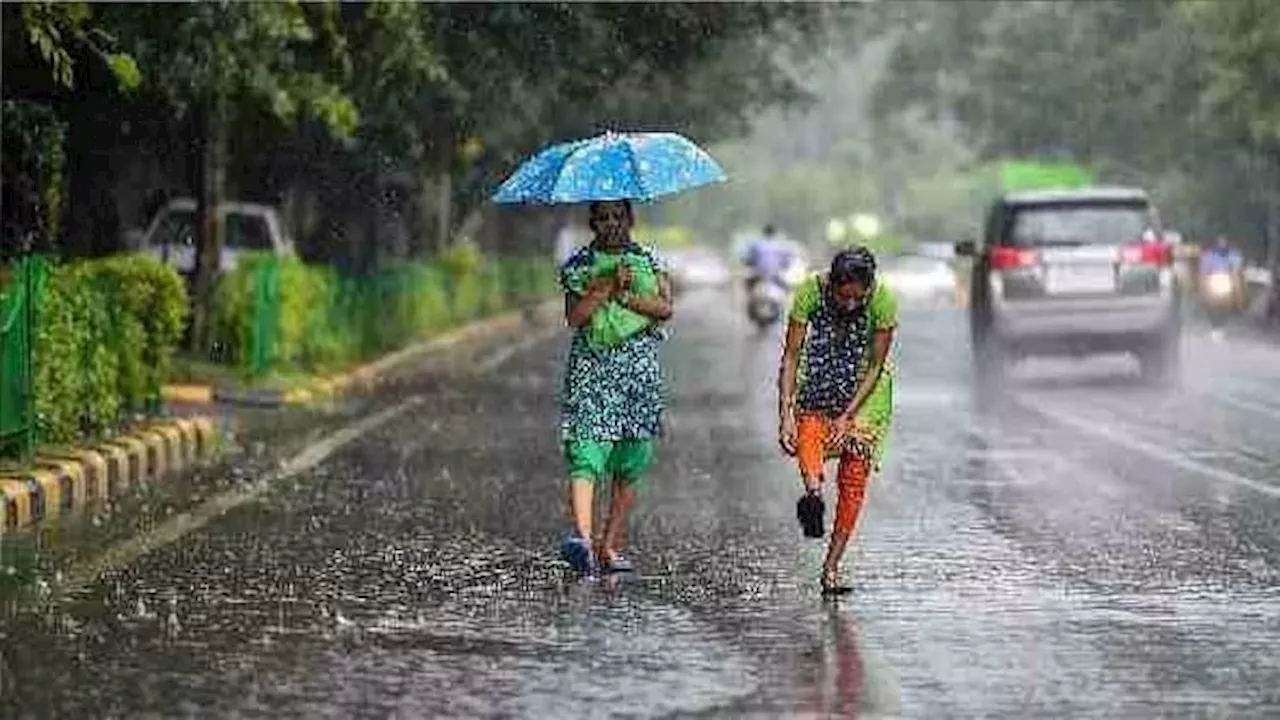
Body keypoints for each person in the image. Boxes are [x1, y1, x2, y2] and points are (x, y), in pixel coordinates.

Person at [557, 199, 674, 576]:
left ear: (630, 219)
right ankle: (583, 540)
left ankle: (608, 545)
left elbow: (665, 308)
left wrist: (625, 295)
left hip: (638, 373)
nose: (611, 224)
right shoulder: (578, 266)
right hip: (593, 370)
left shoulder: (651, 259)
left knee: (630, 461)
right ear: (592, 222)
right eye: (603, 218)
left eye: (618, 217)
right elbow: (575, 318)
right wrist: (604, 288)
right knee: (586, 450)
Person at [776, 246, 898, 595]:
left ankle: (831, 569)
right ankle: (813, 493)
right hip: (819, 375)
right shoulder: (809, 292)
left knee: (854, 476)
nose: (849, 305)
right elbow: (793, 355)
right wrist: (785, 413)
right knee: (809, 432)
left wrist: (848, 416)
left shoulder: (883, 300)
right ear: (831, 285)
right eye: (843, 297)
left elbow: (876, 365)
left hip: (866, 389)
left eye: (858, 299)